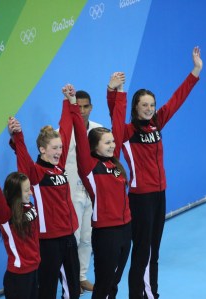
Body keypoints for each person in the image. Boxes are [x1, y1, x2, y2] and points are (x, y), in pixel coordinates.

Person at [107, 47, 203, 298]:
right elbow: (115, 117)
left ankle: (148, 294)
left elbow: (177, 99)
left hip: (159, 195)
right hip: (140, 198)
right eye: (144, 105)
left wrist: (195, 71)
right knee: (143, 252)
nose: (149, 108)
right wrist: (114, 91)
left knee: (153, 251)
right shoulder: (127, 132)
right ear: (136, 108)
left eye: (152, 104)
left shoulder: (157, 124)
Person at [7, 86, 80, 299]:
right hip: (48, 242)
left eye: (60, 147)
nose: (59, 151)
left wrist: (68, 102)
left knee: (72, 289)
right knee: (46, 291)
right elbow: (22, 157)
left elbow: (65, 129)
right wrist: (17, 135)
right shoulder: (36, 173)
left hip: (68, 236)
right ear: (42, 150)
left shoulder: (59, 167)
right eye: (55, 148)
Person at [67, 74, 131, 299]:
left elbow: (118, 123)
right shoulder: (89, 167)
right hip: (106, 233)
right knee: (103, 284)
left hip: (126, 229)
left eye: (114, 142)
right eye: (108, 142)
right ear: (94, 146)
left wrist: (119, 92)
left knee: (114, 283)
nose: (113, 145)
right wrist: (73, 105)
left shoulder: (114, 161)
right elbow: (78, 129)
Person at [0, 152, 40, 299]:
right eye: (26, 190)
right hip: (18, 276)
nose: (30, 192)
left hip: (34, 270)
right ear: (16, 193)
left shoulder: (28, 205)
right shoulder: (5, 215)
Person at [64, 90, 101, 295]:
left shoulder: (98, 130)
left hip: (91, 193)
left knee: (88, 237)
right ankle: (71, 280)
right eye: (78, 106)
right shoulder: (64, 131)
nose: (82, 110)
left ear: (91, 107)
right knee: (74, 238)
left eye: (86, 106)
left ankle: (82, 277)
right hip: (71, 193)